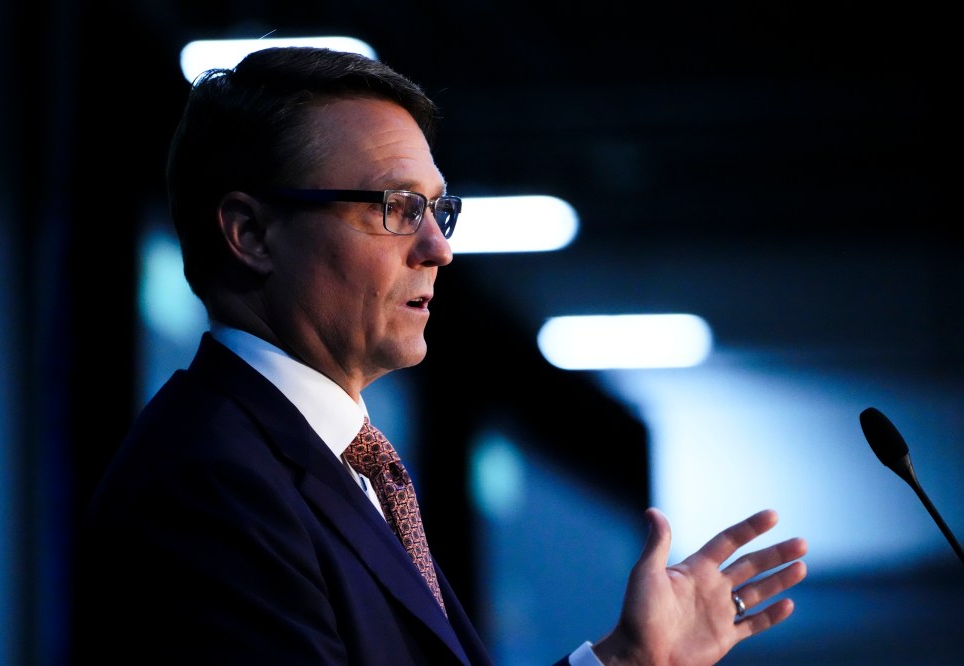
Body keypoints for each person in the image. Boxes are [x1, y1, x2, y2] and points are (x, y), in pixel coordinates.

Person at [73, 46, 808, 665]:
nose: (438, 248)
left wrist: (622, 661)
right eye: (395, 207)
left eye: (437, 209)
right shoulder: (209, 482)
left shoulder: (334, 464)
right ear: (251, 234)